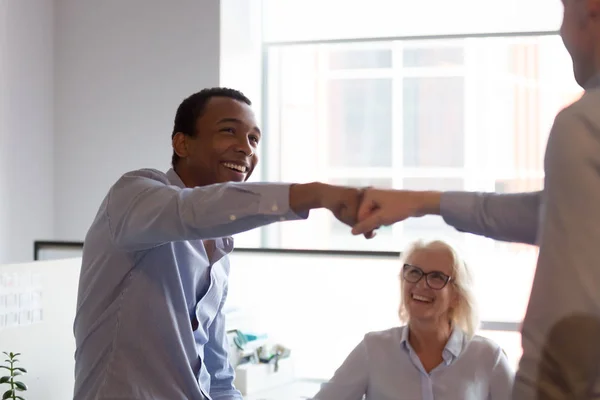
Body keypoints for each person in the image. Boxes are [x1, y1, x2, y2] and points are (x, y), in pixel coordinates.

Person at [351, 0, 600, 398]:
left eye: (564, 11)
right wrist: (421, 201)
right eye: (413, 272)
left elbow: (567, 325)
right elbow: (548, 213)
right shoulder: (373, 349)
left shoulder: (583, 125)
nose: (560, 32)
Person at [72, 87, 371, 400]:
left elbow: (216, 373)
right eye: (229, 131)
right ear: (182, 143)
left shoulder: (220, 249)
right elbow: (192, 210)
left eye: (254, 139)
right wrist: (317, 194)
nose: (245, 148)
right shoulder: (133, 196)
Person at [312, 240, 514, 400]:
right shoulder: (374, 348)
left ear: (457, 295)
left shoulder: (488, 357)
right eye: (414, 273)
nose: (421, 285)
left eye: (436, 277)